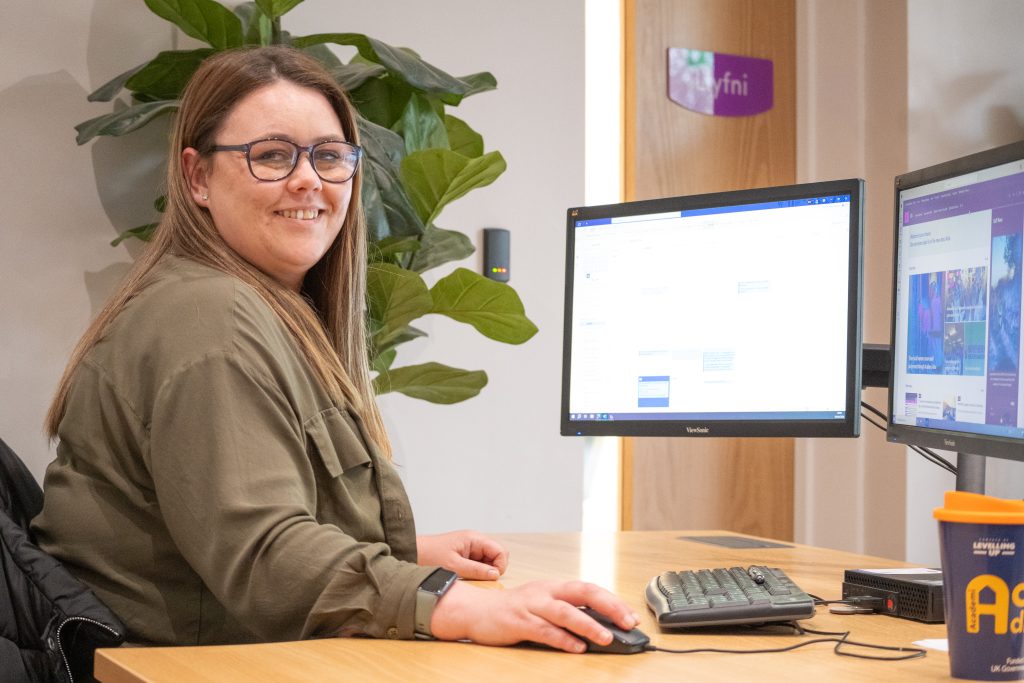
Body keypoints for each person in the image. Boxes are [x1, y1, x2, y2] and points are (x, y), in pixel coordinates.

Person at [31, 46, 638, 652]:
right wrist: (462, 608)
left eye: (329, 156)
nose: (308, 179)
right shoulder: (208, 315)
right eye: (270, 155)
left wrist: (407, 555)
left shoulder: (260, 306)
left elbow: (221, 521)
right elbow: (264, 552)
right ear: (197, 178)